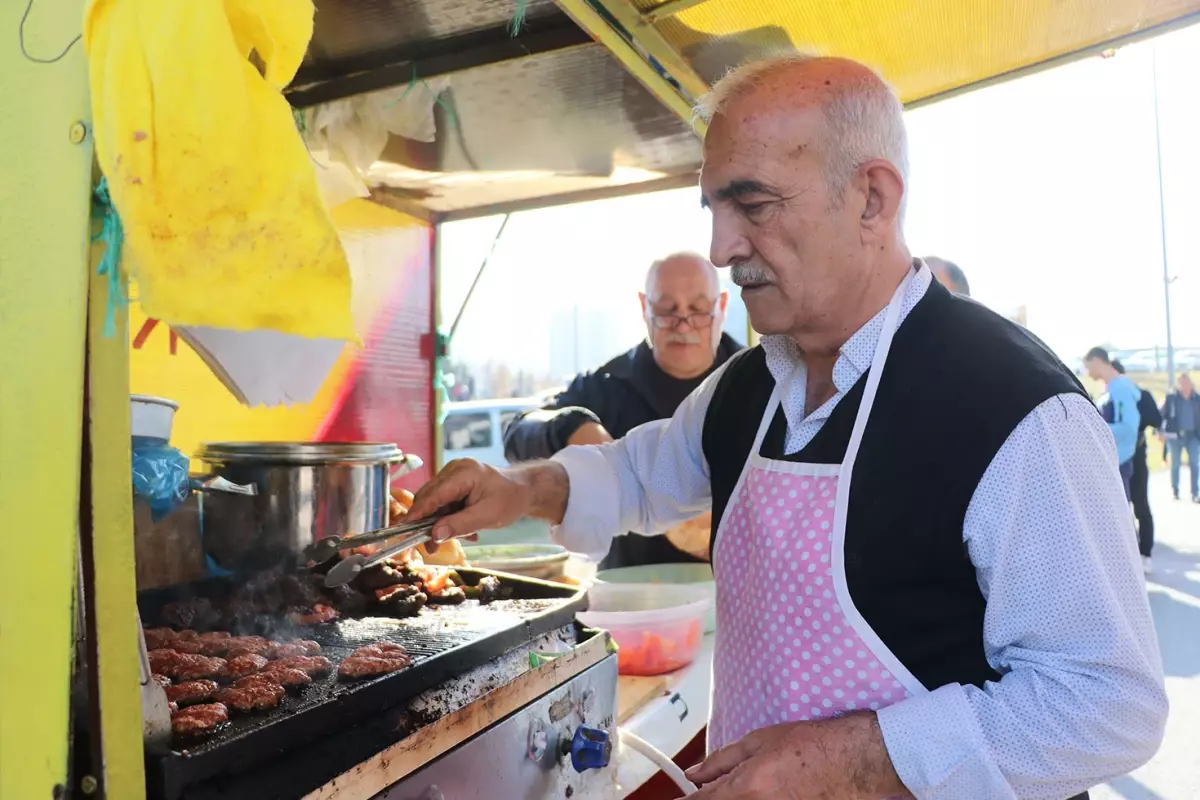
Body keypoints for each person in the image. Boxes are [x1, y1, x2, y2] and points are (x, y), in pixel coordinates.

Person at [413, 55, 1165, 799]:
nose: (722, 249)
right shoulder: (749, 384)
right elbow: (640, 474)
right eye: (714, 210)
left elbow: (1105, 704)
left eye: (756, 205)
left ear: (872, 198)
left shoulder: (1019, 409)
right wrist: (516, 489)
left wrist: (858, 760)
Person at [503, 252, 743, 568]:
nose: (683, 324)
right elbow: (516, 433)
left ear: (722, 306)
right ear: (645, 306)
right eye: (666, 310)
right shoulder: (605, 386)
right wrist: (572, 426)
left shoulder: (757, 382)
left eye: (698, 310)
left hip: (738, 594)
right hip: (629, 594)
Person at [1113, 360, 1162, 573]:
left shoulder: (1140, 396)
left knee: (1141, 504)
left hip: (1137, 456)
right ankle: (1126, 555)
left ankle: (1145, 553)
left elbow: (1156, 419)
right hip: (1116, 458)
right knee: (1120, 507)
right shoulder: (1108, 398)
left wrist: (1135, 421)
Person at [1085, 347, 1142, 501]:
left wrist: (1093, 431)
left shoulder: (1121, 389)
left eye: (1087, 366)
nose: (1087, 372)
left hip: (1119, 462)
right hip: (1111, 463)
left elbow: (1128, 428)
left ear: (1096, 361)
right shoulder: (1110, 389)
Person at [1160, 372, 1200, 502]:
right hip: (1175, 435)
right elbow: (1163, 415)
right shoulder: (1172, 398)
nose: (1184, 385)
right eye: (1182, 382)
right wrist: (1161, 431)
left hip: (1193, 435)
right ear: (1179, 384)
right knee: (1175, 463)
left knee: (1194, 463)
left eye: (1186, 382)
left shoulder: (1197, 398)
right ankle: (1175, 490)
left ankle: (1195, 492)